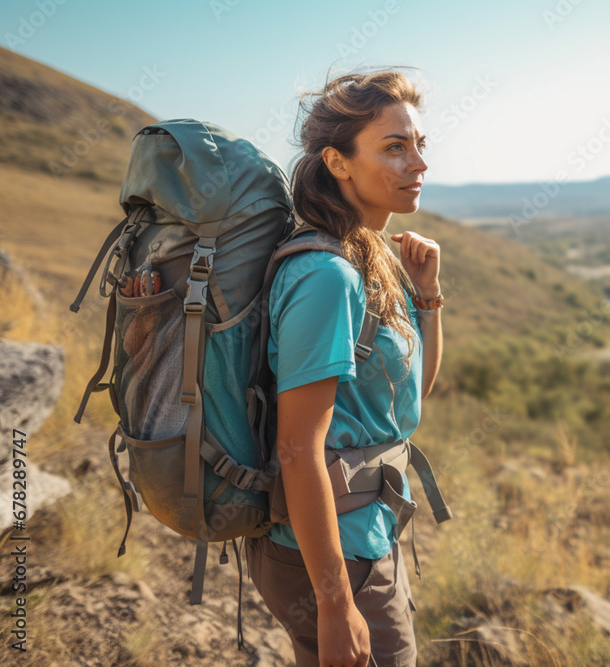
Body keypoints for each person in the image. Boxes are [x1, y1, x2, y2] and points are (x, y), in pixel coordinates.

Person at [245, 67, 442, 667]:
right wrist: (334, 605)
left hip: (366, 531)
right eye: (394, 147)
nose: (419, 164)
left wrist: (428, 298)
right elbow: (298, 447)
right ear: (338, 162)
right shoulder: (327, 278)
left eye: (419, 145)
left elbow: (411, 397)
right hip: (335, 553)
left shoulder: (373, 260)